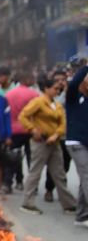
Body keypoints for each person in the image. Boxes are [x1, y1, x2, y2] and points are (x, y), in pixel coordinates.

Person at [18, 78, 77, 215]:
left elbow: (63, 124)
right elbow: (23, 116)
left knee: (59, 174)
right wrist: (33, 129)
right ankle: (27, 203)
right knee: (35, 173)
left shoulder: (58, 105)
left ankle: (69, 204)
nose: (57, 91)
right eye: (55, 88)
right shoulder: (38, 102)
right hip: (41, 143)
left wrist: (56, 135)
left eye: (59, 89)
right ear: (47, 88)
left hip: (54, 143)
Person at [2, 72, 39, 192]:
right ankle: (32, 185)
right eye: (32, 79)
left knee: (13, 158)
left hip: (13, 130)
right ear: (27, 80)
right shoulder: (34, 95)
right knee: (31, 159)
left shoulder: (9, 94)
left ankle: (8, 183)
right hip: (30, 130)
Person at [66, 65, 88, 228]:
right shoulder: (74, 97)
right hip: (76, 143)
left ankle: (81, 216)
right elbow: (73, 84)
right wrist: (86, 67)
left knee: (84, 180)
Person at [44, 70, 71, 202]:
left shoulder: (71, 93)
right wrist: (64, 93)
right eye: (58, 80)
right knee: (53, 165)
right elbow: (57, 106)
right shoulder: (52, 96)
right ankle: (49, 190)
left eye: (63, 80)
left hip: (68, 136)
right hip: (54, 136)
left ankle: (63, 191)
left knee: (65, 166)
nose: (60, 82)